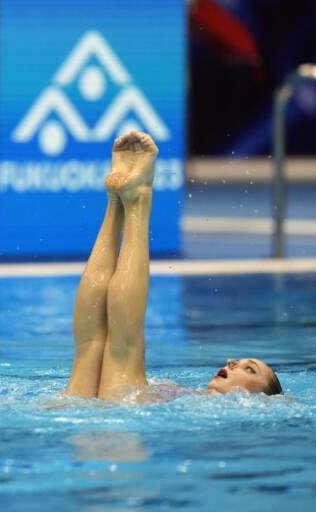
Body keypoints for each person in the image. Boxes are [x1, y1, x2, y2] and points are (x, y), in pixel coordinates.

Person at [65, 131, 282, 401]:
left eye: (249, 369)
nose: (231, 361)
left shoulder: (220, 413)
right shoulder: (189, 398)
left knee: (105, 349)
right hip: (109, 411)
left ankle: (131, 200)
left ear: (261, 399)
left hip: (96, 412)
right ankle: (124, 201)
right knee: (96, 349)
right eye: (241, 362)